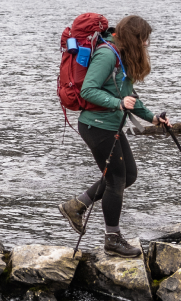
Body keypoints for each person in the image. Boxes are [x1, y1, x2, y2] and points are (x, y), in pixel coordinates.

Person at [58, 15, 169, 257]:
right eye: (143, 39)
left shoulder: (121, 56)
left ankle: (76, 205)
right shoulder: (107, 54)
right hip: (96, 126)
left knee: (128, 175)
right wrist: (117, 103)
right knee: (116, 179)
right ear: (132, 37)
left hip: (110, 126)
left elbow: (128, 95)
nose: (146, 44)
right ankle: (112, 239)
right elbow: (88, 90)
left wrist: (152, 118)